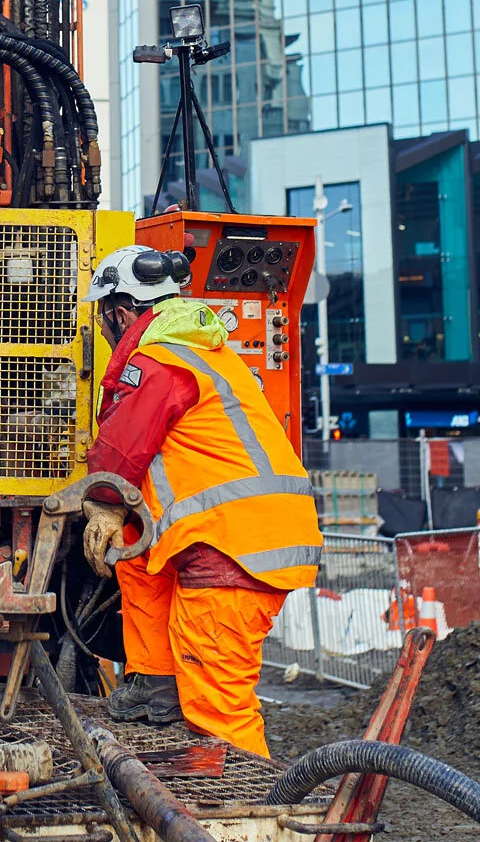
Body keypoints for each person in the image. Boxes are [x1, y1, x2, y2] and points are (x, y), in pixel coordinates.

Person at [78, 244, 323, 758]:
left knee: (217, 706)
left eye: (104, 319)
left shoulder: (160, 360)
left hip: (231, 548)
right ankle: (157, 681)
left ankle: (242, 816)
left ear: (122, 312)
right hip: (239, 535)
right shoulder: (205, 351)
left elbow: (124, 441)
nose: (104, 331)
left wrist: (101, 500)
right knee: (135, 550)